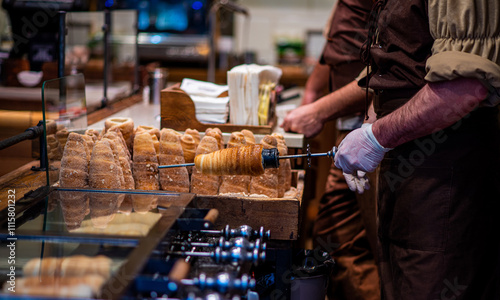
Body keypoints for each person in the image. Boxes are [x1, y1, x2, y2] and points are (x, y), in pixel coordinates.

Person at [333, 0, 500, 299]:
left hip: (446, 173)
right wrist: (370, 124)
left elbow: (465, 85)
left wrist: (377, 137)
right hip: (407, 163)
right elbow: (403, 70)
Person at [281, 1, 381, 299]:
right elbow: (336, 43)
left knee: (366, 249)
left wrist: (321, 110)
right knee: (332, 234)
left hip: (376, 133)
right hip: (350, 129)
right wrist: (311, 94)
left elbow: (391, 69)